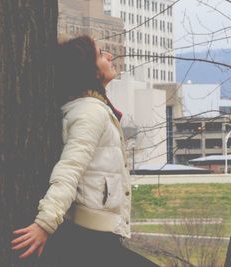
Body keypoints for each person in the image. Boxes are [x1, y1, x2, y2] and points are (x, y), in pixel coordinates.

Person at [11, 35, 159, 267]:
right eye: (101, 54)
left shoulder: (94, 108)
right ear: (89, 70)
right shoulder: (90, 113)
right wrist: (45, 224)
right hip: (89, 237)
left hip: (98, 235)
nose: (110, 56)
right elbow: (70, 168)